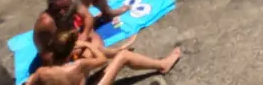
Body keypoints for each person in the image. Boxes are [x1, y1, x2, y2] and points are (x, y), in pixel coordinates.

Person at [27, 30, 180, 85]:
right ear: (69, 51)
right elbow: (102, 60)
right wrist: (86, 45)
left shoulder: (42, 72)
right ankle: (162, 64)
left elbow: (28, 83)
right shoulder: (78, 65)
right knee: (123, 57)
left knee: (90, 54)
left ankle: (119, 49)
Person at [32, 0, 127, 65]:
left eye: (65, 8)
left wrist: (85, 34)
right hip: (62, 47)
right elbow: (46, 54)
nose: (61, 12)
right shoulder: (46, 23)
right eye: (57, 9)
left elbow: (88, 17)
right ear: (51, 6)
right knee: (95, 49)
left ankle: (108, 12)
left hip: (74, 31)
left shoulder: (72, 2)